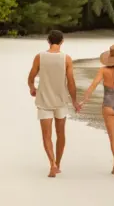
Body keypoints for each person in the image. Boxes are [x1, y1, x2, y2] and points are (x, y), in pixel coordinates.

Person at [27, 30, 80, 178]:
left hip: (44, 100)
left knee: (46, 135)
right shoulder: (66, 59)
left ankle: (52, 164)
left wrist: (32, 88)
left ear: (48, 41)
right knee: (61, 133)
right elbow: (71, 82)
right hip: (61, 101)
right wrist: (74, 101)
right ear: (62, 41)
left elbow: (31, 77)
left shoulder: (40, 57)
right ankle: (58, 163)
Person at [78, 44, 114, 179]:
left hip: (108, 105)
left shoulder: (103, 71)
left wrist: (83, 101)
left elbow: (93, 86)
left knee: (113, 138)